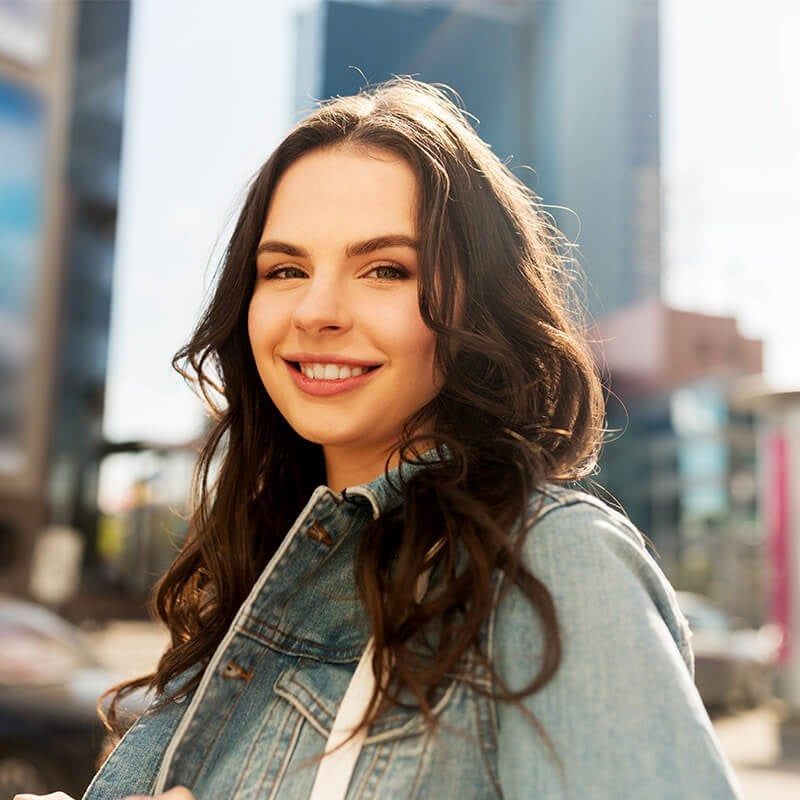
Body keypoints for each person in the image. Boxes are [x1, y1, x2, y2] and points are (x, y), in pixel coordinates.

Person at [19, 77, 743, 800]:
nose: (317, 310)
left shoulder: (551, 563)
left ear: (476, 307)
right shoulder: (261, 571)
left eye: (385, 270)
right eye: (286, 269)